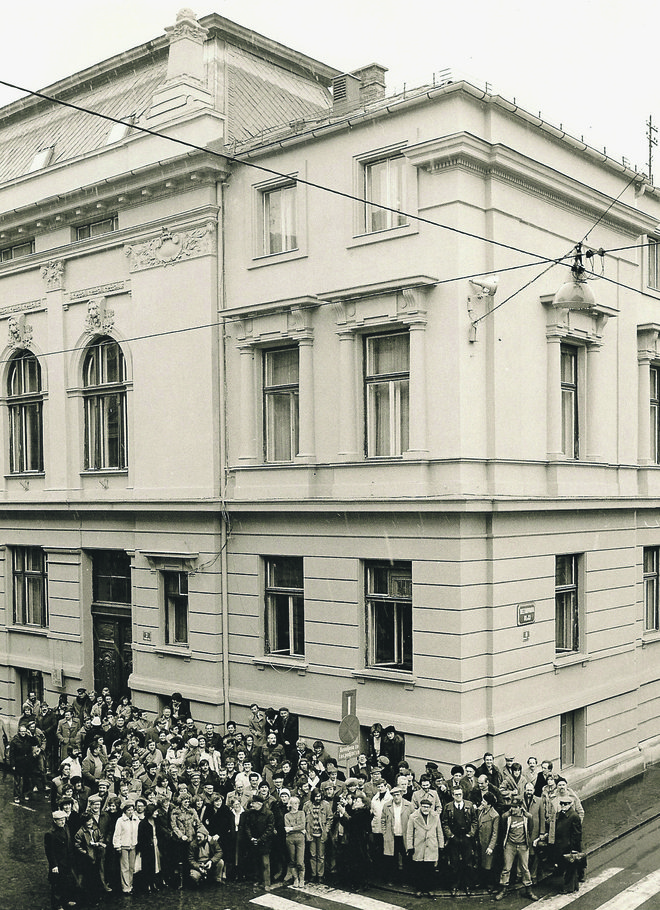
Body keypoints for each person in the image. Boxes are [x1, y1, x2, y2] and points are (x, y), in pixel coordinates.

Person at [494, 797, 539, 901]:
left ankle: (529, 890)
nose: (513, 809)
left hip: (523, 846)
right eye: (512, 807)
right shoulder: (507, 816)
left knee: (525, 868)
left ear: (521, 807)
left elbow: (530, 830)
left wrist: (525, 841)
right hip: (510, 845)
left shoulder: (527, 817)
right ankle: (504, 889)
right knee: (506, 868)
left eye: (515, 807)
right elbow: (504, 828)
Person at [442, 785, 477, 897]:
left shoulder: (469, 805)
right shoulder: (448, 807)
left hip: (466, 837)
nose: (459, 796)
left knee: (468, 863)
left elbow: (474, 821)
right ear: (452, 795)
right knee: (454, 863)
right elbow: (445, 823)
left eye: (460, 794)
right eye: (456, 794)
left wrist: (470, 834)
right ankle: (454, 886)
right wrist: (451, 836)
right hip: (454, 838)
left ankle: (467, 886)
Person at [406, 796, 444, 898]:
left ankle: (429, 889)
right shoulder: (413, 817)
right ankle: (419, 889)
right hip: (418, 847)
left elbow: (439, 831)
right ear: (420, 807)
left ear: (431, 807)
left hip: (432, 846)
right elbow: (409, 833)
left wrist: (441, 845)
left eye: (427, 807)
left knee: (430, 869)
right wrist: (410, 846)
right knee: (419, 869)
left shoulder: (435, 816)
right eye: (423, 807)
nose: (425, 809)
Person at [546, 795, 584, 893]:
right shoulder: (560, 814)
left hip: (569, 846)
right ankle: (573, 886)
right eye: (561, 804)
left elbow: (577, 834)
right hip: (561, 846)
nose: (563, 805)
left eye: (565, 804)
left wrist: (574, 848)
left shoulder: (574, 816)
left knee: (570, 868)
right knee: (568, 866)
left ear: (570, 805)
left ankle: (569, 888)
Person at [45, 809, 79, 910]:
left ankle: (66, 900)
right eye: (59, 820)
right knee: (57, 884)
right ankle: (57, 905)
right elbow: (50, 852)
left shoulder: (66, 828)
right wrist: (54, 865)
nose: (62, 822)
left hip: (68, 860)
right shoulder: (50, 834)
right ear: (55, 821)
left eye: (63, 819)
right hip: (59, 862)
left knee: (68, 881)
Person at [382, 785, 412, 883]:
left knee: (406, 858)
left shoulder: (409, 805)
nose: (396, 797)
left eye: (398, 795)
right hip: (392, 836)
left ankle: (405, 880)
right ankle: (392, 879)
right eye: (394, 795)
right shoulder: (387, 806)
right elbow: (383, 820)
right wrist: (384, 832)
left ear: (402, 795)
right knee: (391, 858)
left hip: (405, 836)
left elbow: (414, 820)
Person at [245, 794, 275, 890]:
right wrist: (251, 838)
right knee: (256, 862)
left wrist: (260, 840)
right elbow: (247, 826)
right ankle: (257, 880)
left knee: (265, 863)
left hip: (264, 843)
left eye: (253, 803)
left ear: (259, 804)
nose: (251, 805)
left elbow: (269, 829)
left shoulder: (269, 814)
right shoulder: (250, 813)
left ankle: (267, 883)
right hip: (254, 842)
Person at [113, 799, 139, 894]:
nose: (130, 811)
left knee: (132, 867)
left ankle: (131, 885)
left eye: (132, 809)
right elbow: (117, 834)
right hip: (124, 846)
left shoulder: (136, 819)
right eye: (128, 810)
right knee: (125, 867)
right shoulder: (120, 821)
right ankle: (125, 887)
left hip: (133, 845)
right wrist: (117, 846)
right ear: (124, 810)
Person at [476, 791, 500, 892]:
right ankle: (482, 882)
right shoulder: (481, 811)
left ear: (489, 804)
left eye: (484, 801)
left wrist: (491, 847)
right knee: (481, 863)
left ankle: (490, 884)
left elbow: (495, 833)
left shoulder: (495, 815)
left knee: (489, 865)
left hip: (487, 844)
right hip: (481, 842)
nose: (482, 802)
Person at [284, 794, 306, 886]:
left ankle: (302, 879)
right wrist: (298, 828)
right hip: (290, 839)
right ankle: (295, 879)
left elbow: (303, 825)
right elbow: (286, 828)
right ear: (290, 805)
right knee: (292, 860)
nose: (296, 805)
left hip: (300, 838)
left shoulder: (301, 813)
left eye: (297, 803)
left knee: (300, 861)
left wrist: (292, 828)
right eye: (294, 803)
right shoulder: (287, 815)